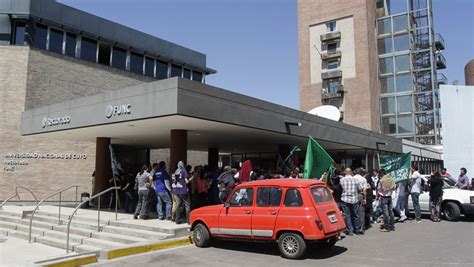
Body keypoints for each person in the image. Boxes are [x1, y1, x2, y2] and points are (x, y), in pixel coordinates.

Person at [340, 168, 364, 236]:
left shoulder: (342, 180)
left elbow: (340, 188)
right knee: (356, 215)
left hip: (345, 199)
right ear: (351, 172)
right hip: (354, 198)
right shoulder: (355, 180)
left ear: (345, 172)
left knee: (348, 215)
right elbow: (360, 188)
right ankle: (358, 229)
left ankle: (350, 230)